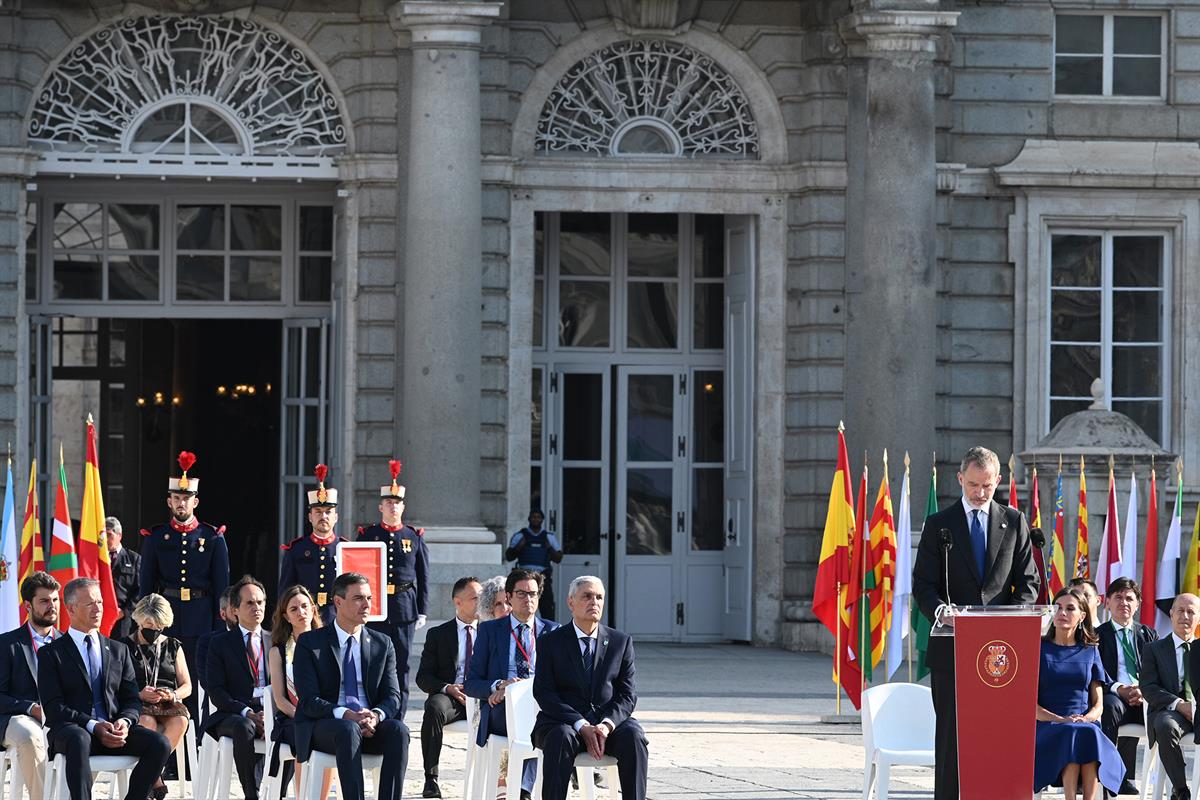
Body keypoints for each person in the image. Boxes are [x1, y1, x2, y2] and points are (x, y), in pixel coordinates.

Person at [911, 446, 1040, 800]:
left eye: (986, 486)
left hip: (1002, 653)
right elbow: (923, 584)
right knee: (953, 735)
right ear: (959, 480)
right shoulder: (940, 525)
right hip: (953, 648)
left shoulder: (1013, 522)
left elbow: (1028, 583)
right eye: (972, 486)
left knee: (998, 734)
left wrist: (1010, 623)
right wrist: (940, 611)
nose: (980, 494)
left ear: (998, 480)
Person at [36, 577, 171, 800]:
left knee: (159, 743)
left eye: (99, 602)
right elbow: (53, 707)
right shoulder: (51, 653)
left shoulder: (119, 650)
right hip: (74, 731)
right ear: (70, 608)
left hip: (115, 730)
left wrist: (125, 722)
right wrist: (93, 725)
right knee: (78, 739)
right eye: (90, 604)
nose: (98, 608)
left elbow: (131, 700)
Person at [293, 572, 410, 800]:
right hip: (326, 725)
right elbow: (308, 699)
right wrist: (347, 715)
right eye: (358, 598)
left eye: (369, 598)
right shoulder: (310, 643)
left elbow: (393, 696)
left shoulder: (382, 643)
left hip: (369, 724)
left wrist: (375, 715)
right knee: (347, 730)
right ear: (338, 602)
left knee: (399, 731)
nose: (366, 604)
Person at [532, 576, 648, 800]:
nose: (594, 601)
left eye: (599, 597)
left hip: (607, 724)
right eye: (586, 596)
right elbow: (544, 692)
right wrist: (580, 723)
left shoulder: (620, 642)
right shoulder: (550, 642)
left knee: (634, 736)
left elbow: (627, 695)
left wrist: (606, 725)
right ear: (571, 602)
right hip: (565, 723)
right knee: (560, 737)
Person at [138, 451, 230, 722]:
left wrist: (219, 623)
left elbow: (221, 585)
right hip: (166, 619)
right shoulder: (155, 537)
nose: (181, 503)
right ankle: (170, 739)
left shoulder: (211, 538)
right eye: (176, 498)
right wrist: (146, 622)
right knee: (165, 678)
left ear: (195, 501)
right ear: (169, 501)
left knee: (198, 679)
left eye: (186, 498)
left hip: (201, 618)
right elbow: (147, 585)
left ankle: (198, 737)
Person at [465, 568, 560, 800]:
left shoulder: (553, 632)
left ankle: (522, 790)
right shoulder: (490, 631)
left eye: (533, 594)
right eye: (522, 594)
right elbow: (471, 683)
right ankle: (521, 790)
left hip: (541, 704)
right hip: (502, 707)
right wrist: (499, 686)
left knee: (547, 724)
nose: (528, 599)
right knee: (524, 720)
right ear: (508, 597)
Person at [356, 459, 430, 715]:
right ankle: (373, 709)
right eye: (388, 502)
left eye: (397, 502)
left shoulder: (413, 536)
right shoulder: (368, 535)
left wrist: (422, 609)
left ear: (403, 506)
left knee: (401, 665)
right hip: (374, 607)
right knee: (372, 661)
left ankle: (398, 714)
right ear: (381, 506)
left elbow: (423, 575)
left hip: (403, 607)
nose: (393, 506)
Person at [1035, 586, 1123, 798]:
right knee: (1073, 732)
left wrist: (1085, 719)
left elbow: (1098, 704)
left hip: (1083, 723)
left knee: (1086, 732)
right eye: (1057, 607)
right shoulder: (1038, 649)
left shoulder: (1090, 650)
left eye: (1069, 608)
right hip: (1047, 725)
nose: (1061, 613)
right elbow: (1029, 705)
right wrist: (1061, 719)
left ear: (1082, 616)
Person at [204, 575, 270, 800]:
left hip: (270, 710)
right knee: (245, 726)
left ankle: (278, 791)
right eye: (250, 603)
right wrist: (248, 712)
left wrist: (270, 713)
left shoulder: (275, 641)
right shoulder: (220, 643)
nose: (257, 608)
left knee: (296, 727)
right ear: (234, 609)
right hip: (233, 713)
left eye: (260, 602)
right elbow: (216, 690)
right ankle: (252, 794)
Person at [0, 572, 64, 800]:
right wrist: (30, 708)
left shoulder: (69, 644)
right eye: (44, 601)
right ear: (28, 605)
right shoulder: (7, 644)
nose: (52, 606)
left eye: (55, 600)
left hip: (60, 718)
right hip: (17, 718)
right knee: (30, 734)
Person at [415, 576, 481, 798]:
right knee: (434, 706)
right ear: (457, 601)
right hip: (452, 697)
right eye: (474, 598)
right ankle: (431, 779)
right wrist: (447, 688)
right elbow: (423, 677)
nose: (480, 603)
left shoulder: (492, 631)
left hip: (483, 696)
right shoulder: (438, 634)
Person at [123, 593, 193, 800]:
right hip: (138, 700)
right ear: (138, 620)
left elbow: (187, 685)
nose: (153, 632)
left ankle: (151, 773)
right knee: (145, 722)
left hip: (168, 702)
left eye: (159, 628)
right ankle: (155, 779)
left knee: (181, 720)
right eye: (149, 625)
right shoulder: (124, 646)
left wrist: (172, 694)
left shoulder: (173, 645)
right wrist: (138, 693)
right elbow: (115, 685)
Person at [266, 584, 330, 800]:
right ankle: (304, 796)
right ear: (286, 616)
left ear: (313, 609)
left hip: (323, 713)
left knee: (335, 733)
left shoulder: (328, 645)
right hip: (292, 717)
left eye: (305, 606)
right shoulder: (278, 651)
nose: (301, 612)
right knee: (306, 731)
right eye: (294, 609)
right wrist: (305, 715)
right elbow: (280, 700)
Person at [1096, 577, 1157, 796]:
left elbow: (1156, 670)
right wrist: (1119, 688)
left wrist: (1144, 689)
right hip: (1113, 693)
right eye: (1118, 597)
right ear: (1108, 603)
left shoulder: (1148, 634)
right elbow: (1096, 671)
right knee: (1110, 706)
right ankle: (1107, 779)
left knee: (1164, 715)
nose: (1124, 602)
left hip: (1144, 696)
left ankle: (1127, 779)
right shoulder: (1097, 635)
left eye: (1130, 598)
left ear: (1138, 604)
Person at [1139, 593, 1200, 800]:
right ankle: (1181, 790)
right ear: (1171, 614)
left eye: (1191, 612)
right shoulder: (1153, 649)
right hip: (1170, 711)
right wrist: (1179, 704)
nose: (1185, 616)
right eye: (1180, 611)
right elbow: (1148, 687)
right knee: (1166, 727)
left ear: (1198, 618)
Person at [279, 464, 344, 625]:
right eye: (318, 512)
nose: (323, 516)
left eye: (328, 512)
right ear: (310, 517)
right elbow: (286, 591)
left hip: (337, 617)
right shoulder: (296, 549)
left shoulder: (345, 548)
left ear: (336, 517)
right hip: (305, 619)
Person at [505, 510, 563, 621]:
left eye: (538, 517)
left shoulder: (549, 537)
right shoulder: (520, 535)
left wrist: (549, 548)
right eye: (533, 517)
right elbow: (509, 556)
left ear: (542, 520)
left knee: (547, 608)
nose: (536, 519)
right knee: (520, 606)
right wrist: (519, 547)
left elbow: (558, 558)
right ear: (529, 519)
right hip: (522, 578)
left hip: (543, 578)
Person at [195, 586, 239, 692]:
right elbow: (208, 683)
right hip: (224, 704)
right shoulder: (208, 642)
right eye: (234, 608)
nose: (241, 612)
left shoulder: (267, 639)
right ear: (223, 614)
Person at [107, 517, 141, 641]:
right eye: (102, 535)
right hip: (99, 615)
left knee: (121, 652)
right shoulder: (95, 559)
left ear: (119, 535)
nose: (105, 539)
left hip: (123, 618)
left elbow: (140, 589)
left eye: (109, 535)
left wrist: (125, 611)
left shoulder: (133, 559)